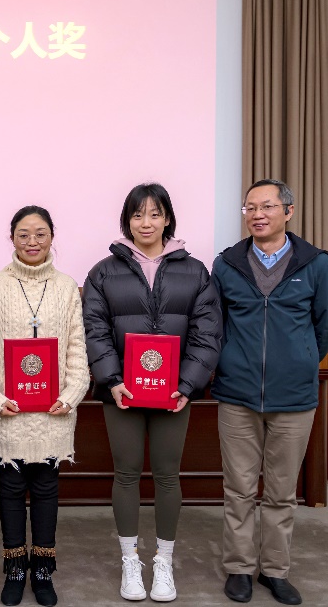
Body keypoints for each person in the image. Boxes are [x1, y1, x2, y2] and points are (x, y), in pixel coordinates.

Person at [83, 183, 221, 603]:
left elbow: (207, 333)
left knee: (167, 475)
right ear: (127, 220)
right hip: (121, 393)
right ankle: (130, 561)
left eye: (155, 214)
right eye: (138, 214)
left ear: (168, 219)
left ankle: (163, 561)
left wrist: (186, 384)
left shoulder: (194, 271)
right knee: (125, 474)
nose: (146, 222)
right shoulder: (103, 272)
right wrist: (112, 380)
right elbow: (94, 330)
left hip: (174, 394)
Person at [211, 179, 328, 606]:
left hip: (294, 398)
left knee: (282, 492)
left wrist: (301, 359)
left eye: (267, 206)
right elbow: (217, 324)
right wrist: (230, 362)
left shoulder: (317, 264)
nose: (257, 214)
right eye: (250, 207)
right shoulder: (227, 264)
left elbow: (324, 324)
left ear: (288, 211)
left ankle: (275, 570)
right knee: (239, 489)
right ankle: (239, 568)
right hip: (237, 395)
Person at [0, 206, 89, 607]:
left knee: (45, 490)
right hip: (8, 412)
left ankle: (42, 569)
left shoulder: (67, 287)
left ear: (52, 237)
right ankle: (13, 567)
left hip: (53, 412)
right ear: (11, 238)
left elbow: (77, 348)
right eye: (23, 234)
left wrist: (70, 395)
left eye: (40, 234)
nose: (32, 242)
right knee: (9, 491)